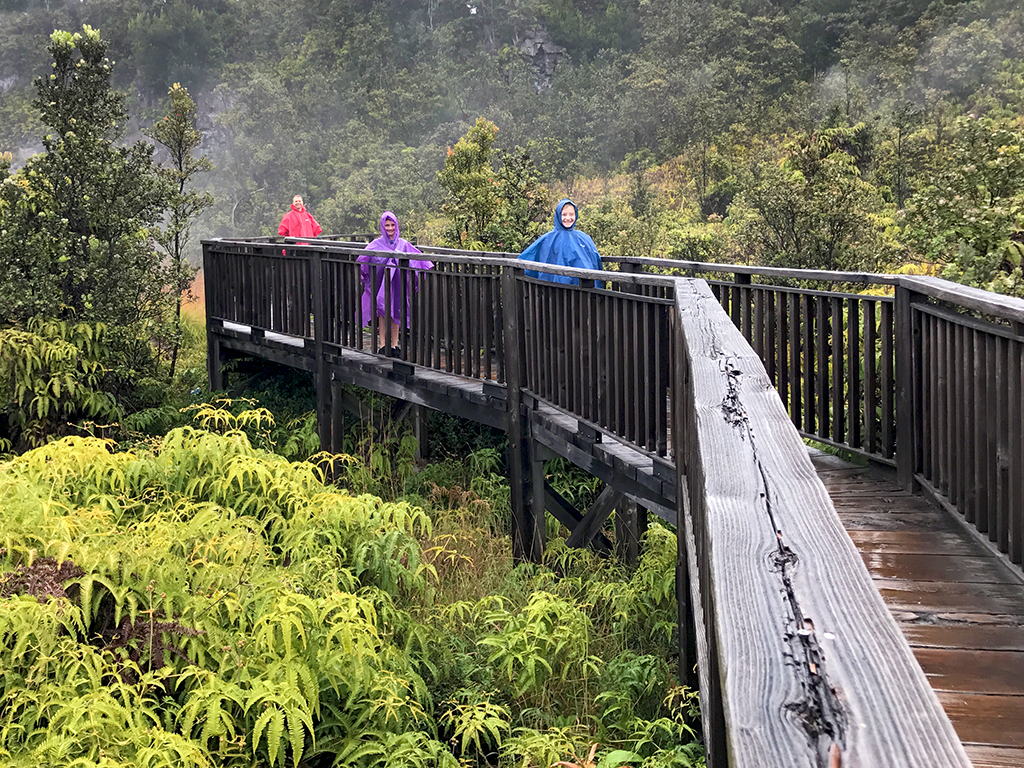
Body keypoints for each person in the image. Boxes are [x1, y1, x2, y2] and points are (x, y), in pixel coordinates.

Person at [358, 211, 433, 354]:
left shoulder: (403, 244)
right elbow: (364, 258)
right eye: (387, 225)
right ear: (382, 226)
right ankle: (382, 345)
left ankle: (394, 345)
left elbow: (417, 257)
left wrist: (426, 265)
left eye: (392, 225)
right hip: (382, 285)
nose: (390, 228)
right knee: (382, 312)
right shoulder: (377, 244)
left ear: (397, 226)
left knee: (396, 311)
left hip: (398, 284)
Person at [517, 199, 602, 285]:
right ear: (558, 215)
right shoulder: (547, 238)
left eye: (571, 214)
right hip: (554, 289)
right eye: (564, 214)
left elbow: (595, 260)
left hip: (582, 289)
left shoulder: (584, 238)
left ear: (575, 215)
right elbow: (529, 256)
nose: (568, 218)